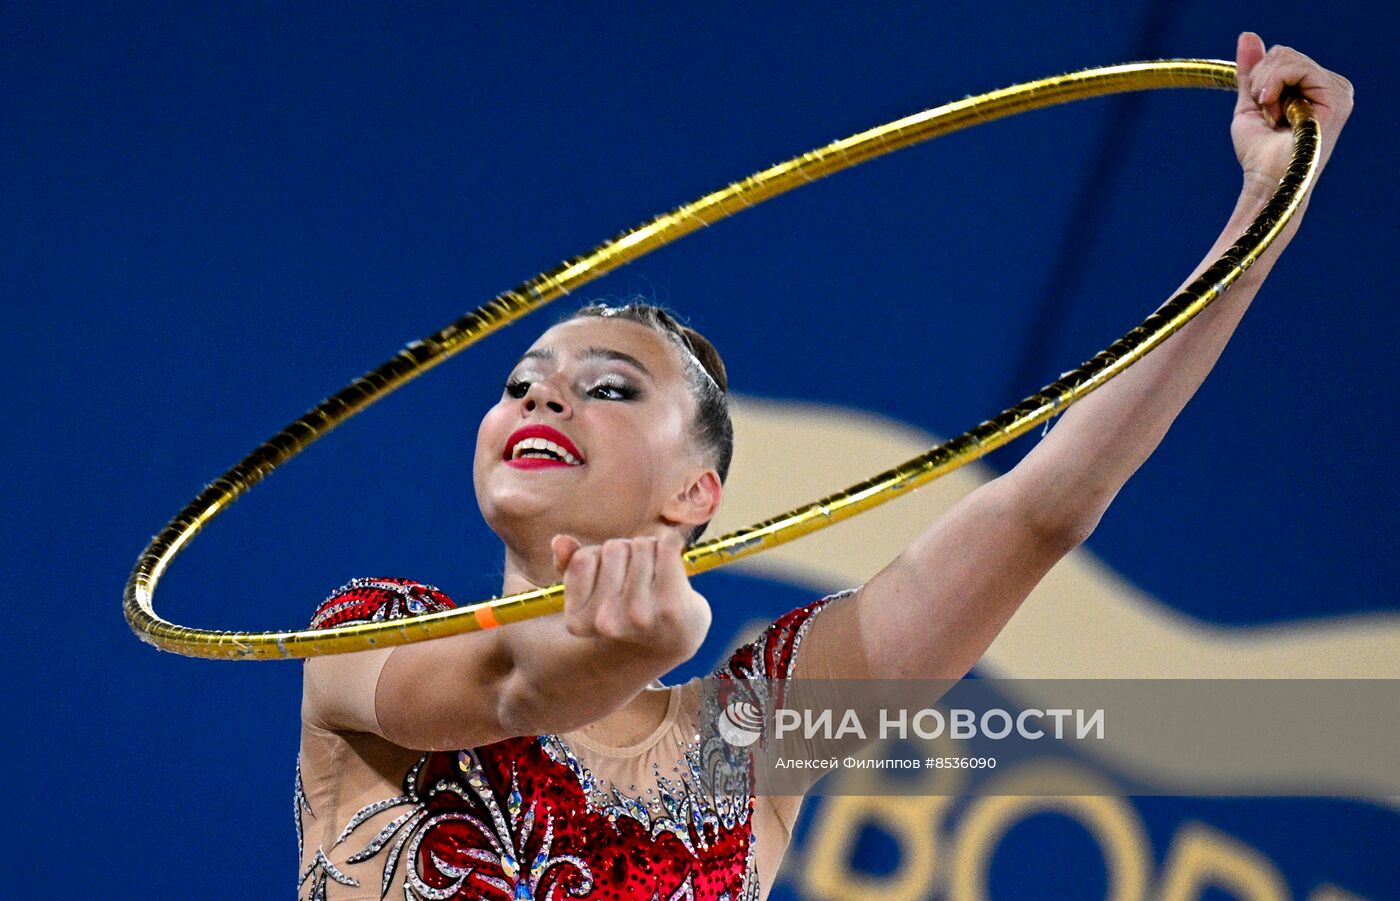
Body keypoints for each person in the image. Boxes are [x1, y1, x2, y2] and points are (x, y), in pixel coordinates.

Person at [294, 34, 1351, 900]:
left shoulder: (747, 742)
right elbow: (513, 685)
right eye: (522, 380)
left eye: (608, 386)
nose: (541, 397)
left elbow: (1046, 507)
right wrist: (626, 645)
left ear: (695, 494)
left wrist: (1269, 203)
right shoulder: (366, 634)